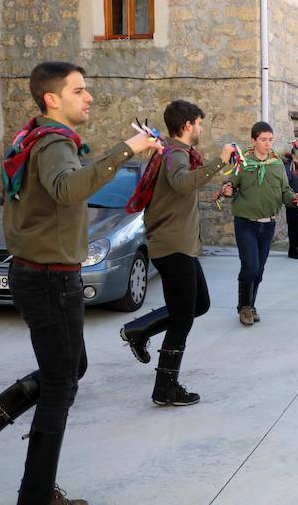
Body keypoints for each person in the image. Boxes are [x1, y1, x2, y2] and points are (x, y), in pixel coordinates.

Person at [0, 61, 156, 504]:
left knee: (69, 370)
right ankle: (36, 494)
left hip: (40, 273)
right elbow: (67, 188)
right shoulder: (56, 143)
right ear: (51, 99)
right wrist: (125, 150)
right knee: (62, 384)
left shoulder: (33, 137)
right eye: (79, 90)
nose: (89, 96)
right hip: (49, 278)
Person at [120, 100, 234, 408]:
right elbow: (183, 184)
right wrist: (219, 162)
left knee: (200, 304)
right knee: (183, 316)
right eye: (199, 122)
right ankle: (165, 388)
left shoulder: (174, 153)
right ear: (187, 125)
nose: (201, 128)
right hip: (172, 246)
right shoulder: (175, 154)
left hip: (180, 244)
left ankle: (139, 330)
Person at [219, 122, 298, 325]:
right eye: (263, 140)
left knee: (259, 269)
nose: (267, 144)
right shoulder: (243, 163)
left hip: (268, 225)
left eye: (270, 140)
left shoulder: (276, 165)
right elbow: (229, 183)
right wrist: (228, 188)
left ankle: (250, 305)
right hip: (245, 223)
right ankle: (245, 308)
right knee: (250, 266)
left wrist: (295, 199)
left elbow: (285, 191)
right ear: (253, 141)